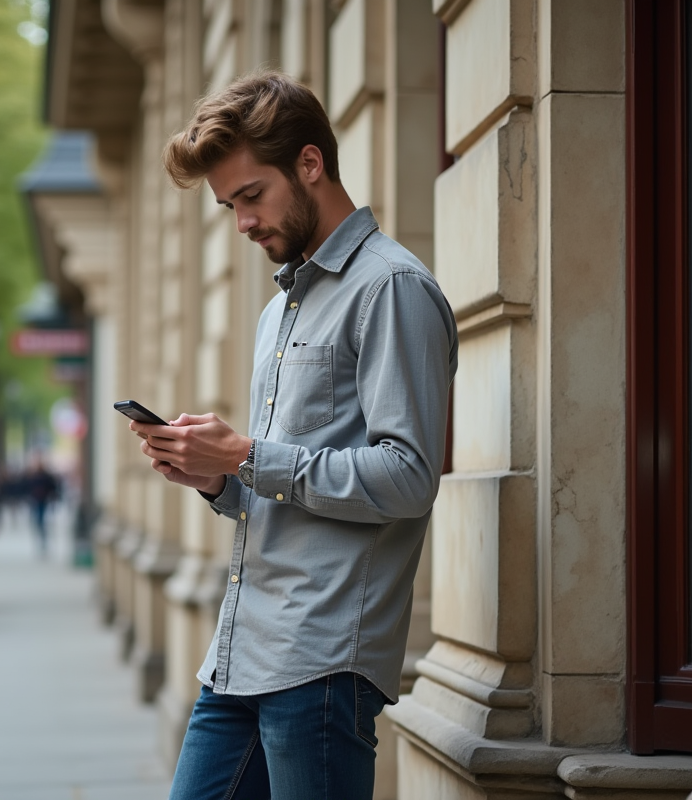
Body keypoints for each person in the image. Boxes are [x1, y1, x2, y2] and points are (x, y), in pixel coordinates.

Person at [129, 71, 458, 800]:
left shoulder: (390, 289)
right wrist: (216, 476)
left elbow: (408, 478)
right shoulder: (278, 314)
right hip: (240, 650)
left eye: (251, 196)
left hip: (320, 665)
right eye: (229, 206)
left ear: (310, 164)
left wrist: (246, 455)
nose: (242, 222)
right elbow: (284, 480)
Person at [24, 456, 59, 557]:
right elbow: (28, 487)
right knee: (38, 519)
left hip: (43, 500)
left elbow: (52, 487)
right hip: (36, 500)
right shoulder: (34, 476)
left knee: (40, 519)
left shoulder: (45, 476)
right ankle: (41, 536)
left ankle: (43, 538)